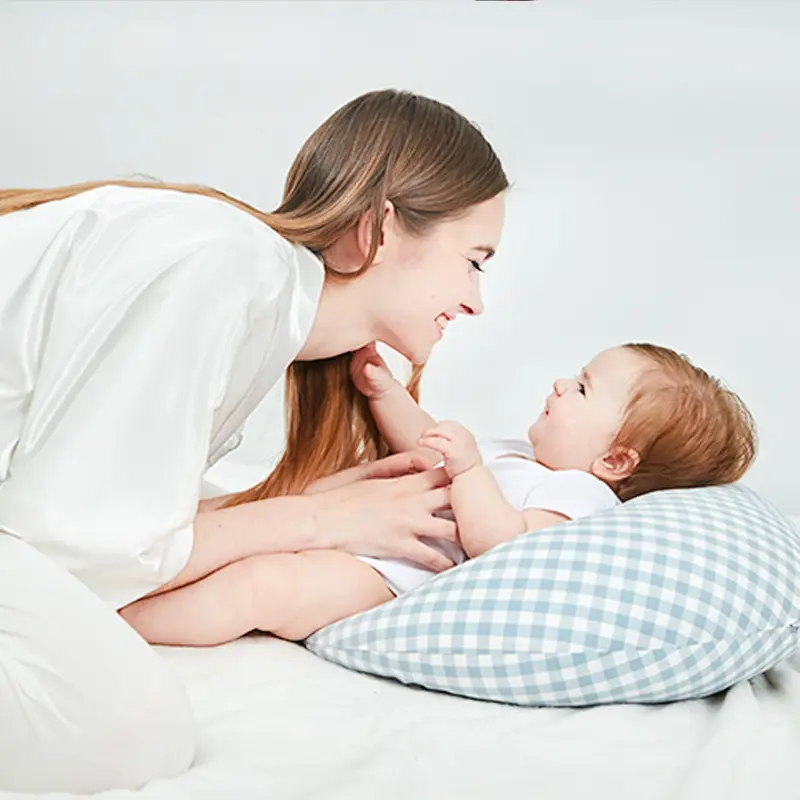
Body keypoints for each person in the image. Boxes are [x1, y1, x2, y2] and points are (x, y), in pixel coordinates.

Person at [0, 89, 508, 793]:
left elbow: (92, 513)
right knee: (126, 732)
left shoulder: (250, 286)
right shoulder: (223, 269)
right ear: (382, 230)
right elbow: (79, 557)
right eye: (475, 259)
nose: (479, 300)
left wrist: (291, 511)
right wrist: (310, 519)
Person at [120, 341, 756, 644]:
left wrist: (472, 470)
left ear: (615, 459)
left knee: (262, 587)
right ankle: (121, 586)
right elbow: (425, 450)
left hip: (389, 581)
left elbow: (502, 544)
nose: (561, 383)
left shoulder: (581, 498)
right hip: (368, 540)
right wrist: (385, 395)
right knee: (244, 552)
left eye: (584, 390)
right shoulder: (521, 454)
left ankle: (124, 626)